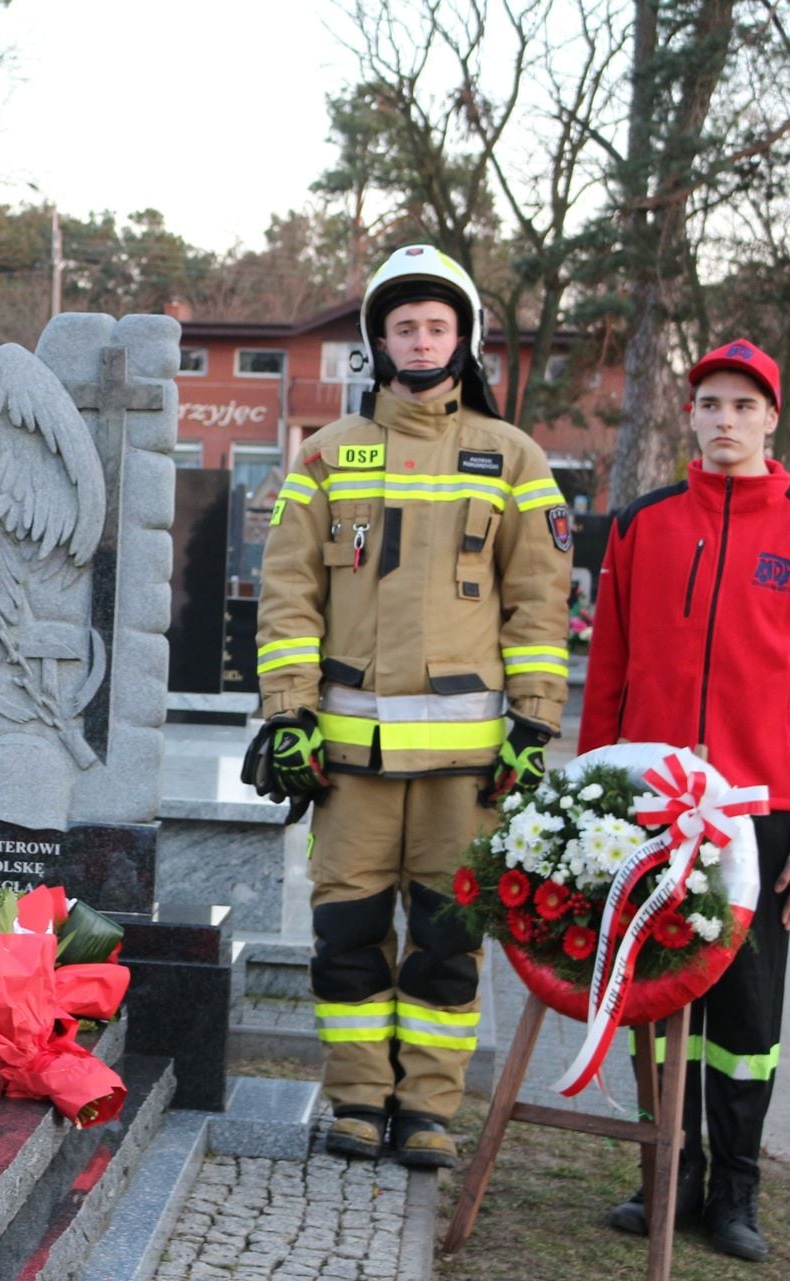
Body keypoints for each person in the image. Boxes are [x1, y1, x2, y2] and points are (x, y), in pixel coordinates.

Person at [248, 245, 572, 1168]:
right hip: (347, 761)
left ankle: (428, 1109)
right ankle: (356, 1100)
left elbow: (539, 598)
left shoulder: (512, 458)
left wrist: (535, 721)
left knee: (445, 943)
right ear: (378, 341)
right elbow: (288, 594)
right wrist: (289, 712)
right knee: (346, 937)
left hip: (466, 770)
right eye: (404, 326)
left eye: (437, 325)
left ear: (462, 339)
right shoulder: (325, 455)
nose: (420, 340)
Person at [580, 338, 790, 1261]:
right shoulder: (641, 525)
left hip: (762, 811)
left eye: (745, 404)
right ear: (689, 415)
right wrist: (595, 799)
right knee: (654, 995)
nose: (727, 419)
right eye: (711, 403)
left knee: (746, 1012)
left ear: (771, 417)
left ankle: (736, 1189)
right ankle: (668, 1173)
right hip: (653, 805)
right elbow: (610, 674)